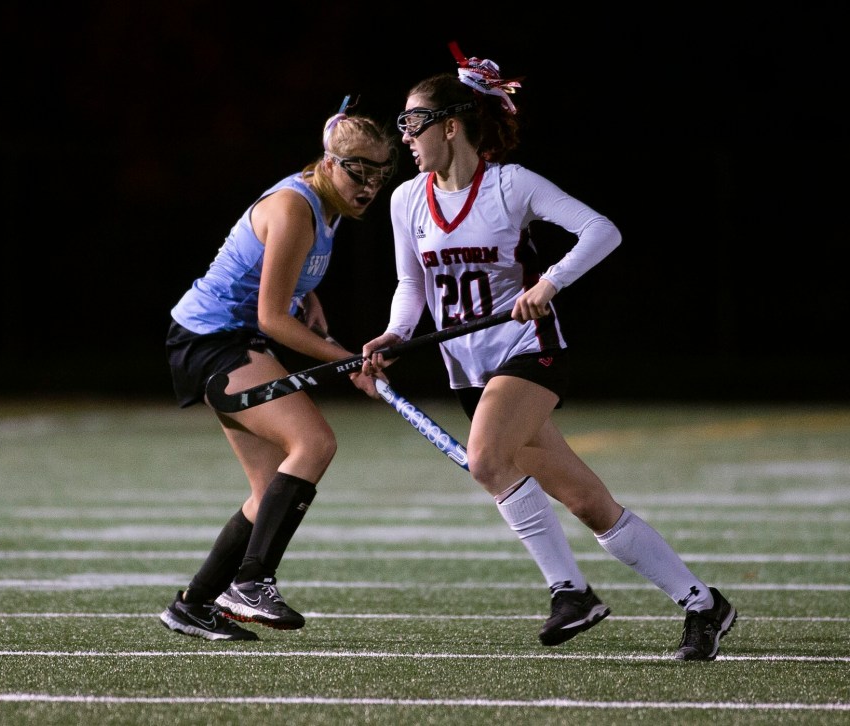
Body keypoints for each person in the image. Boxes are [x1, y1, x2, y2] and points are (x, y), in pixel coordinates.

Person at [360, 43, 736, 661]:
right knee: (589, 503)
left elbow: (601, 230)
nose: (405, 135)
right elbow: (412, 285)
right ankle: (703, 604)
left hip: (529, 350)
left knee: (486, 460)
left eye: (414, 121)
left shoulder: (510, 185)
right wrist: (395, 336)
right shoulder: (407, 200)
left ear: (450, 126)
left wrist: (548, 284)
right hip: (469, 369)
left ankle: (571, 592)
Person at [161, 97, 399, 641]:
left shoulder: (329, 205)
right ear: (329, 162)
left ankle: (193, 605)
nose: (368, 186)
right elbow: (272, 318)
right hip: (210, 340)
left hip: (230, 337)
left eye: (379, 175)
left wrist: (306, 296)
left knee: (269, 489)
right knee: (314, 443)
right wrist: (351, 362)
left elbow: (281, 279)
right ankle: (251, 582)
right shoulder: (296, 207)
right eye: (358, 171)